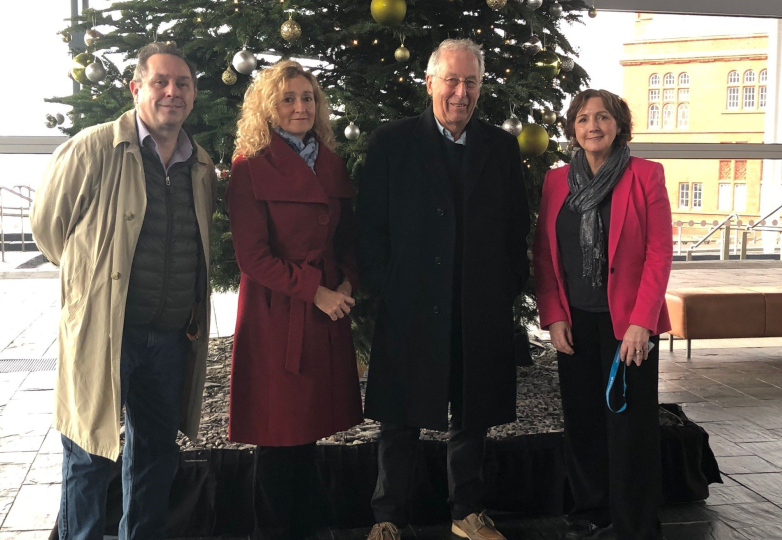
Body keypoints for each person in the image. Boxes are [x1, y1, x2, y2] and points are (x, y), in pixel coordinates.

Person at [30, 42, 216, 539]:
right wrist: (89, 283)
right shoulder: (93, 148)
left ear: (193, 95)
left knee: (156, 456)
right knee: (88, 456)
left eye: (182, 84)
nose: (172, 92)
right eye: (160, 82)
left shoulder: (201, 165)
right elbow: (48, 228)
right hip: (106, 335)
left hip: (171, 338)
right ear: (137, 88)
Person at [357, 39, 530, 540]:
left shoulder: (501, 147)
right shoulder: (391, 142)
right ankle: (388, 518)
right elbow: (369, 227)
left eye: (471, 82)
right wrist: (387, 285)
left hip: (477, 304)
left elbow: (516, 228)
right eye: (451, 80)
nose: (461, 92)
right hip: (410, 303)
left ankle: (467, 513)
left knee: (472, 414)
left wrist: (505, 287)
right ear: (429, 82)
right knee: (399, 416)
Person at [225, 60, 363, 540]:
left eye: (308, 97)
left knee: (308, 428)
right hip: (276, 313)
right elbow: (252, 257)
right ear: (269, 107)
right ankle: (275, 529)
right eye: (288, 98)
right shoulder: (249, 166)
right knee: (278, 431)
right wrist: (315, 292)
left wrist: (347, 283)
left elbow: (348, 239)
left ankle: (308, 525)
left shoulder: (330, 162)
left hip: (325, 309)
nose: (300, 106)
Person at [533, 89, 673, 540]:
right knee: (583, 421)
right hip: (574, 321)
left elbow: (658, 253)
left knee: (630, 426)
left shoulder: (645, 175)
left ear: (618, 125)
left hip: (628, 325)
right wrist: (553, 315)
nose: (592, 126)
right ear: (572, 129)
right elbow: (544, 255)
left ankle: (635, 523)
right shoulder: (556, 181)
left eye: (602, 117)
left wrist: (642, 322)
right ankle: (590, 511)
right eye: (583, 119)